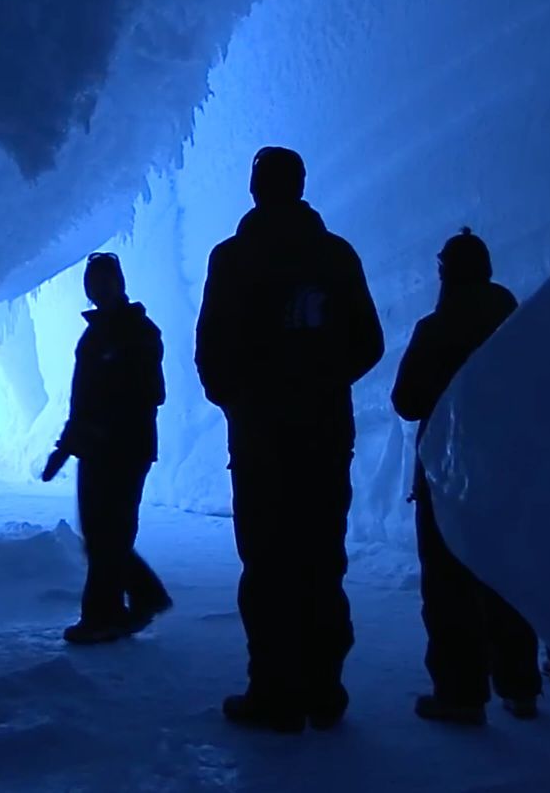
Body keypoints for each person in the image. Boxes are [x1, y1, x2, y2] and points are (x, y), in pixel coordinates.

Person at [194, 146, 385, 732]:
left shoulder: (232, 259)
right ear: (301, 186)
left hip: (260, 438)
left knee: (268, 561)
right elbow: (369, 342)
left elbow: (210, 353)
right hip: (324, 433)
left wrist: (242, 402)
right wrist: (323, 383)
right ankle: (323, 688)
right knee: (320, 559)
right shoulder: (334, 256)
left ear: (254, 189)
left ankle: (274, 691)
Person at [390, 227, 542, 724]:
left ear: (446, 272)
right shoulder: (519, 324)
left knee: (449, 586)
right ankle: (520, 686)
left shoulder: (435, 328)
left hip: (444, 472)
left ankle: (460, 693)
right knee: (507, 575)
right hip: (509, 469)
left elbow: (406, 402)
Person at [41, 252, 173, 645]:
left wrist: (102, 428)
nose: (98, 288)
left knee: (107, 536)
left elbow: (152, 392)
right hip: (97, 449)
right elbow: (81, 402)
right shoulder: (96, 334)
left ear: (119, 282)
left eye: (104, 280)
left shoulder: (139, 332)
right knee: (103, 535)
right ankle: (128, 605)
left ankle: (103, 616)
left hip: (124, 450)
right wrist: (66, 447)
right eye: (93, 282)